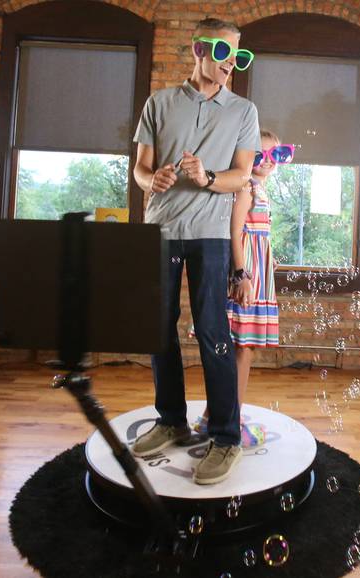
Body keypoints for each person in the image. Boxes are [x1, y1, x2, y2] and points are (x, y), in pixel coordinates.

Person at [130, 17, 260, 485]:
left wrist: (206, 178)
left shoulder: (243, 111)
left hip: (210, 232)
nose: (232, 65)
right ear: (198, 49)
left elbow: (241, 175)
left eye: (239, 57)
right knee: (157, 328)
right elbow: (141, 169)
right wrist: (154, 179)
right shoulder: (160, 103)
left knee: (211, 330)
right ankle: (171, 421)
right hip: (161, 228)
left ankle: (225, 438)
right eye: (225, 54)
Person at [193, 130, 293, 445]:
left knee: (240, 346)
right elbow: (236, 233)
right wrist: (242, 274)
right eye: (260, 156)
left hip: (257, 273)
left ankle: (214, 415)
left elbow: (258, 234)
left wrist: (268, 262)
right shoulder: (246, 188)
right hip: (245, 276)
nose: (268, 163)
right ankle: (230, 419)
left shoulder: (259, 189)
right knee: (242, 347)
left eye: (276, 155)